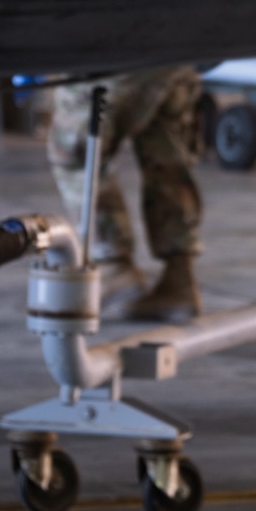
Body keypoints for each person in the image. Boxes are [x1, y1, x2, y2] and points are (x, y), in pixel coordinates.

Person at [46, 65, 206, 323]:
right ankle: (180, 277)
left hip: (117, 48)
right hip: (179, 46)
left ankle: (112, 264)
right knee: (167, 157)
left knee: (74, 151)